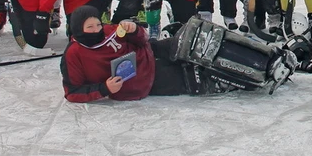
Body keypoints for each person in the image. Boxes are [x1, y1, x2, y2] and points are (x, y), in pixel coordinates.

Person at [61, 9, 297, 101]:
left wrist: (136, 31)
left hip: (150, 52)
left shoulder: (110, 31)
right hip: (142, 80)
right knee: (200, 75)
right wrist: (104, 89)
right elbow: (72, 92)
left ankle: (269, 56)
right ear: (78, 30)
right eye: (89, 28)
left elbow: (141, 39)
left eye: (96, 25)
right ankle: (255, 76)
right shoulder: (74, 55)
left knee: (199, 38)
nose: (96, 30)